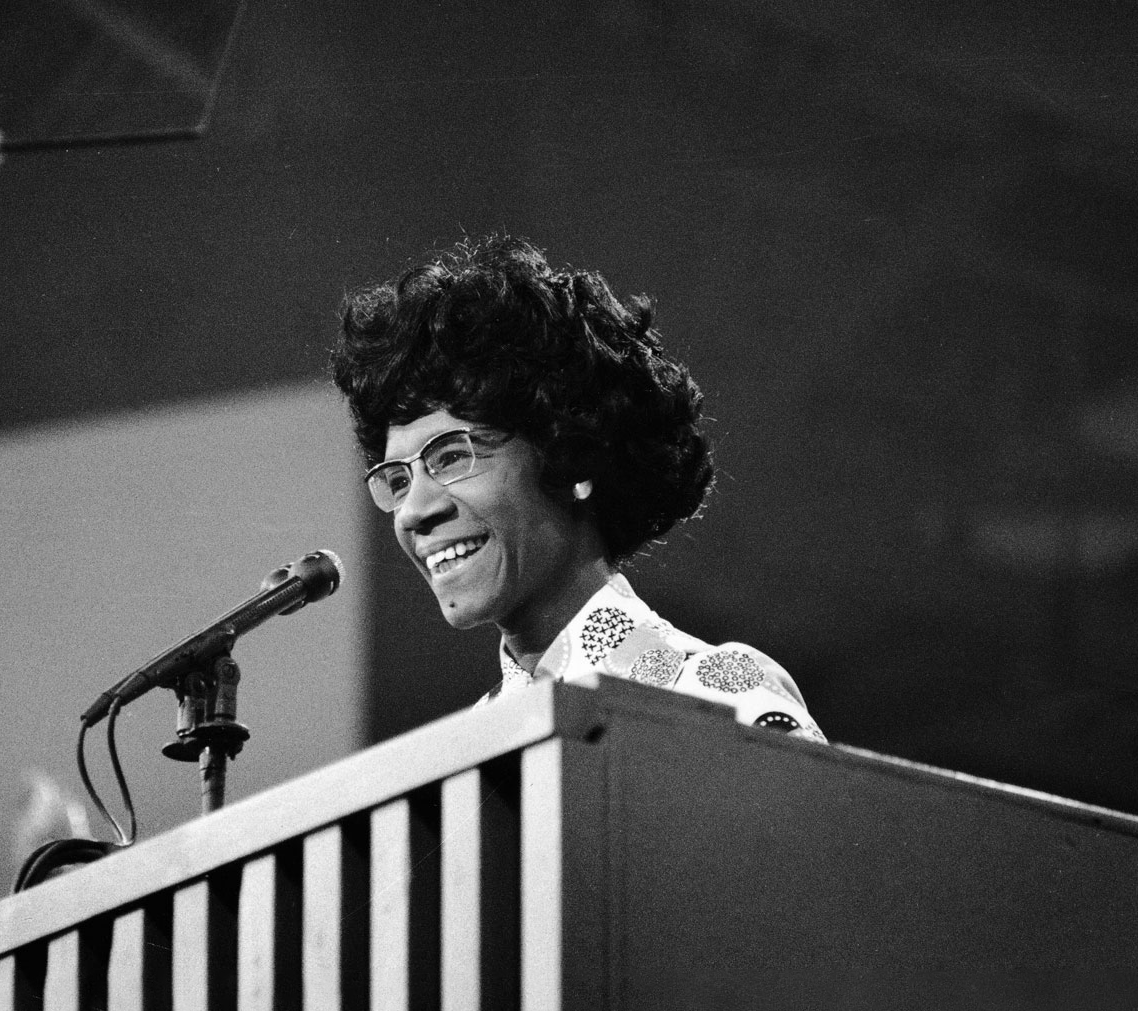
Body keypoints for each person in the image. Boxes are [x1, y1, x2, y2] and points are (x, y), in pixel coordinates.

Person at [330, 235, 824, 741]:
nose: (413, 511)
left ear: (574, 459)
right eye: (397, 479)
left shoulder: (716, 696)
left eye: (451, 456)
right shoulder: (459, 755)